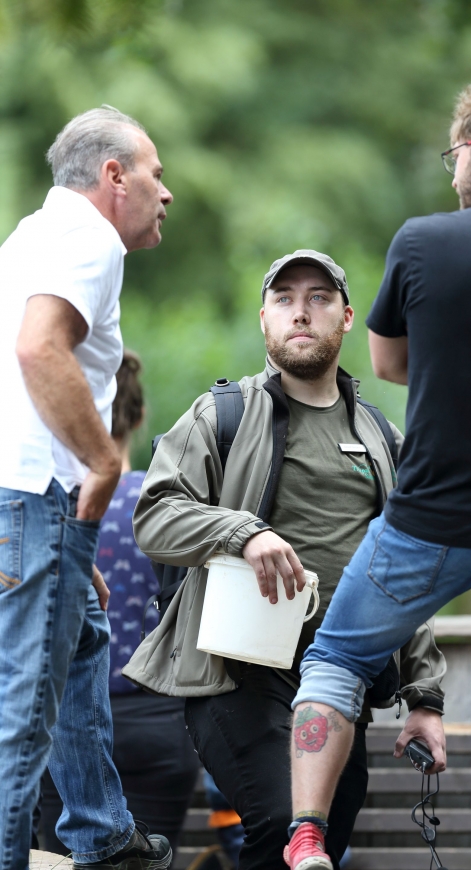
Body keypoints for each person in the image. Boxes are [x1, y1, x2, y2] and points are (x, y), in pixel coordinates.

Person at [285, 74, 471, 870]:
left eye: (456, 154)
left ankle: (307, 836)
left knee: (336, 661)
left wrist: (460, 364)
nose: (455, 171)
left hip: (429, 522)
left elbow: (388, 362)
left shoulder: (422, 242)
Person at [125, 249, 447, 870]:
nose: (301, 312)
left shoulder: (382, 439)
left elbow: (407, 571)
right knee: (284, 821)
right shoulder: (221, 414)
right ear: (264, 319)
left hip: (341, 679)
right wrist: (242, 532)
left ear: (347, 317)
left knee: (322, 843)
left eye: (319, 298)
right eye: (285, 299)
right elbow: (155, 515)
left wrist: (425, 698)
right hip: (238, 672)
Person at [0, 107, 173, 870]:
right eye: (155, 174)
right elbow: (39, 350)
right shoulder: (88, 236)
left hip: (25, 497)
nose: (165, 192)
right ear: (114, 176)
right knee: (22, 712)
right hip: (33, 498)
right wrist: (102, 465)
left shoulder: (28, 237)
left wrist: (72, 547)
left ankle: (102, 832)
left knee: (82, 644)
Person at [39, 351, 199, 860]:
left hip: (63, 729)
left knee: (66, 860)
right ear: (138, 415)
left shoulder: (50, 512)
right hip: (160, 723)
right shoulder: (166, 506)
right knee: (143, 863)